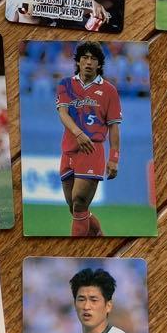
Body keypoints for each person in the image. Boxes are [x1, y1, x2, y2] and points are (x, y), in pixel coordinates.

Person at [55, 43, 121, 236]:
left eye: (93, 59)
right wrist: (78, 133)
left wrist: (114, 158)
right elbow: (63, 113)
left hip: (92, 150)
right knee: (75, 208)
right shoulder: (66, 84)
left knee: (79, 202)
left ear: (99, 64)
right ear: (78, 61)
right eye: (85, 57)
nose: (89, 62)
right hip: (68, 151)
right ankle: (99, 235)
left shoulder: (109, 90)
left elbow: (114, 126)